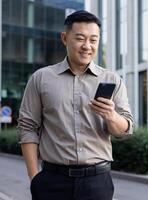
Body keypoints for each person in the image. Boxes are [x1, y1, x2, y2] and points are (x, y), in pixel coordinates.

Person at [17, 10, 133, 200]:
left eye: (93, 40)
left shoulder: (112, 79)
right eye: (80, 38)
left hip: (97, 183)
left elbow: (125, 130)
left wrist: (111, 116)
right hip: (52, 182)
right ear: (64, 38)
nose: (87, 46)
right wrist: (34, 177)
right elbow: (27, 127)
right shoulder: (41, 78)